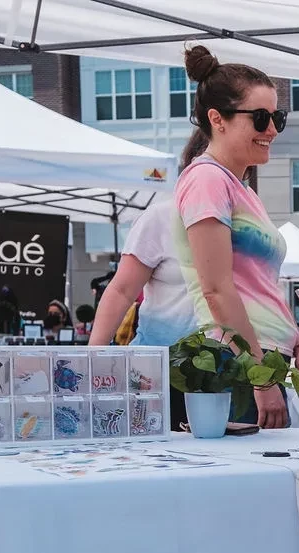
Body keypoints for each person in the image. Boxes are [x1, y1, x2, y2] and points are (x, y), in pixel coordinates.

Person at [172, 45, 299, 428]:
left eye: (277, 117)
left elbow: (260, 284)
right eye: (259, 118)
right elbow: (216, 290)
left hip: (258, 362)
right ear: (217, 119)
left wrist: (297, 342)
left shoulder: (239, 188)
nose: (271, 129)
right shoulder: (206, 180)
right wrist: (260, 375)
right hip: (237, 366)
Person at [89, 129, 210, 430]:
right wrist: (91, 360)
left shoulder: (242, 222)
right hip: (158, 372)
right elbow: (121, 289)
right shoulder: (162, 217)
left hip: (224, 373)